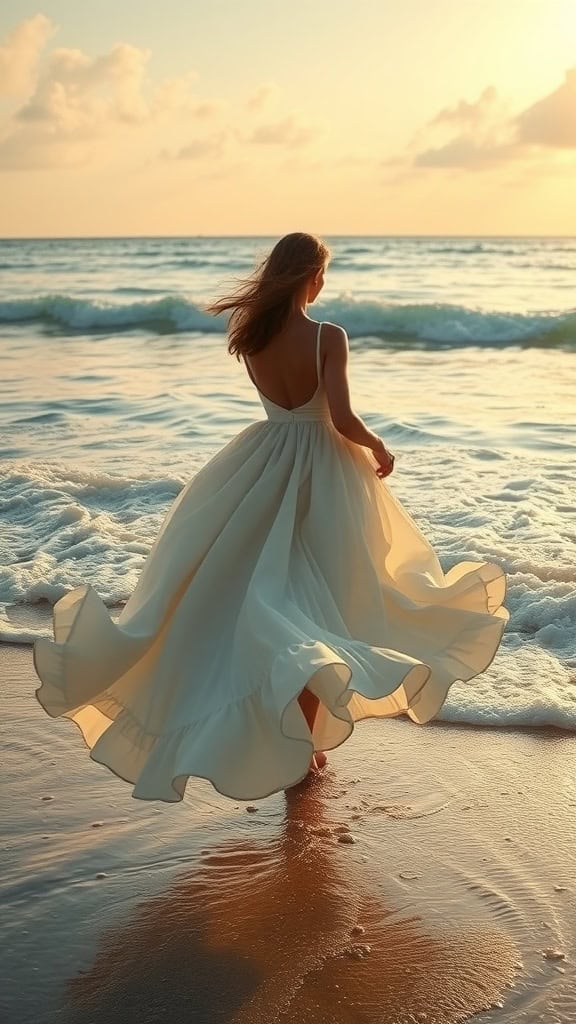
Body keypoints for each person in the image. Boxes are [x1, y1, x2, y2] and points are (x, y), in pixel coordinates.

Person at [33, 232, 509, 803]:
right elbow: (339, 415)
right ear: (311, 276)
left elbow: (286, 406)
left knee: (282, 609)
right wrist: (378, 446)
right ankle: (303, 750)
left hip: (260, 469)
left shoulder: (250, 337)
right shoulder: (327, 336)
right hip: (325, 478)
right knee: (315, 613)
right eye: (322, 273)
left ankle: (299, 746)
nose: (323, 283)